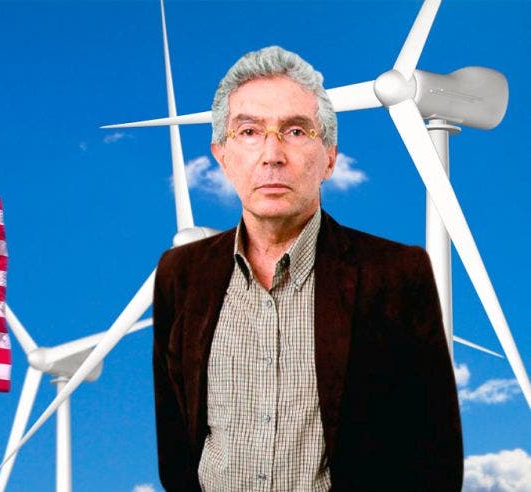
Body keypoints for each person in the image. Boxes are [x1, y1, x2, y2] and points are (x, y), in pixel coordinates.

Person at [152, 46, 462, 491]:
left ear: (329, 158)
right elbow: (175, 450)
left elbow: (436, 457)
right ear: (221, 155)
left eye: (296, 131)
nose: (272, 154)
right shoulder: (179, 274)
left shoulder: (396, 274)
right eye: (249, 132)